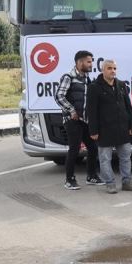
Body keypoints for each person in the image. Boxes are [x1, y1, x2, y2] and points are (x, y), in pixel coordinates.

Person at [54, 50, 103, 190]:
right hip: (72, 120)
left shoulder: (87, 78)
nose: (91, 64)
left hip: (85, 120)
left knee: (93, 148)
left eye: (91, 61)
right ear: (79, 62)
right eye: (88, 61)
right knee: (74, 149)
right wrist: (72, 111)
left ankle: (91, 176)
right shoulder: (68, 77)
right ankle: (69, 180)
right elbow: (59, 96)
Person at [86, 59, 132, 194]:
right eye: (109, 68)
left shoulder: (121, 85)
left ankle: (127, 181)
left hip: (122, 128)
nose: (112, 71)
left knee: (126, 157)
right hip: (104, 130)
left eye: (114, 68)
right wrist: (93, 130)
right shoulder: (94, 87)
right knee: (105, 159)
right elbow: (91, 111)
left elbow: (128, 106)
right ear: (103, 70)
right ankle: (110, 183)